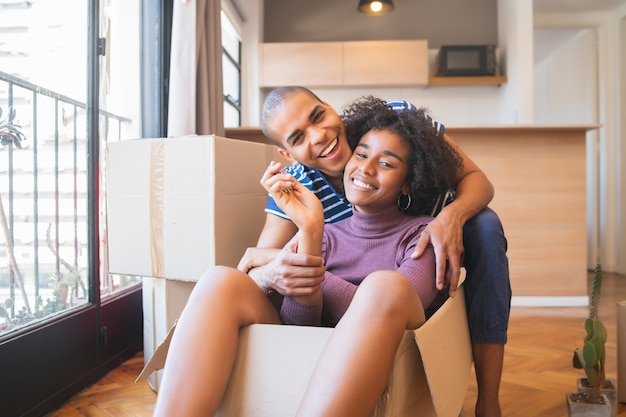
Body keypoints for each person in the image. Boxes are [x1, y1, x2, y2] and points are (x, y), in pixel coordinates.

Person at [152, 97, 462, 417]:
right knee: (220, 278)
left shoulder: (423, 234)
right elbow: (298, 325)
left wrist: (305, 268)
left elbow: (390, 306)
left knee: (385, 286)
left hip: (387, 341)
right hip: (308, 350)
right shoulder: (325, 233)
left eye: (387, 163)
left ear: (408, 184)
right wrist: (311, 231)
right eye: (362, 154)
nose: (366, 169)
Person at [239, 86, 511, 417]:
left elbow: (476, 179)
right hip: (364, 296)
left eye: (318, 116)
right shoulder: (298, 183)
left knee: (485, 227)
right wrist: (272, 265)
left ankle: (489, 400)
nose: (320, 136)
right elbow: (258, 265)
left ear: (329, 106)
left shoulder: (395, 121)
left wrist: (450, 218)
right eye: (297, 138)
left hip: (425, 255)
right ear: (288, 155)